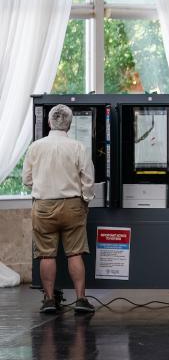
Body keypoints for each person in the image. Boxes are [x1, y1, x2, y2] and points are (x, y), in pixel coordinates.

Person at [22, 104, 96, 314]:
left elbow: (26, 179)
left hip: (43, 206)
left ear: (49, 122)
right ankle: (81, 299)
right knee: (75, 253)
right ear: (69, 125)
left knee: (47, 255)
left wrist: (42, 187)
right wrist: (85, 200)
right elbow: (88, 180)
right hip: (72, 205)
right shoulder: (78, 147)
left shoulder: (35, 147)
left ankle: (48, 300)